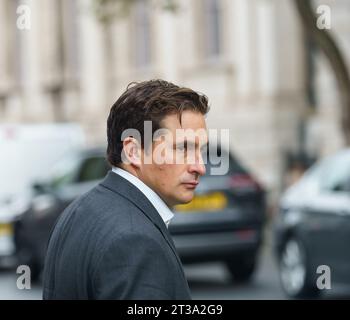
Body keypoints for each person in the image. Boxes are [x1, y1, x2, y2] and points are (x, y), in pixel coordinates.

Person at [42, 79, 210, 299]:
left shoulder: (76, 212)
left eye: (200, 150)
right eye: (182, 148)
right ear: (133, 151)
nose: (200, 167)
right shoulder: (135, 240)